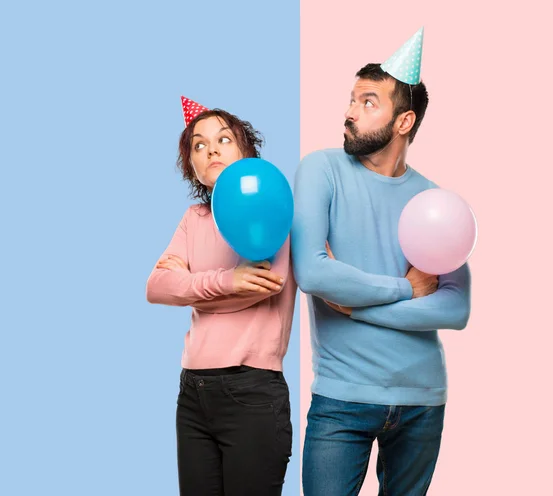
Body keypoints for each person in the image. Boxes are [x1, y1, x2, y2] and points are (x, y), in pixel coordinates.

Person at [292, 29, 472, 496]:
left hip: (422, 400)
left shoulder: (433, 201)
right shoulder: (321, 169)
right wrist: (405, 289)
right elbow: (312, 272)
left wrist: (358, 303)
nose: (350, 111)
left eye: (368, 102)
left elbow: (455, 309)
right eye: (351, 99)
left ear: (404, 121)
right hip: (341, 398)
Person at [146, 97, 296, 496]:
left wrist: (192, 286)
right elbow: (156, 286)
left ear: (246, 150)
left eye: (224, 139)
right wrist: (227, 281)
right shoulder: (193, 219)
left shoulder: (272, 203)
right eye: (198, 145)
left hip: (252, 393)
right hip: (192, 393)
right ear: (191, 165)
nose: (211, 149)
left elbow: (266, 284)